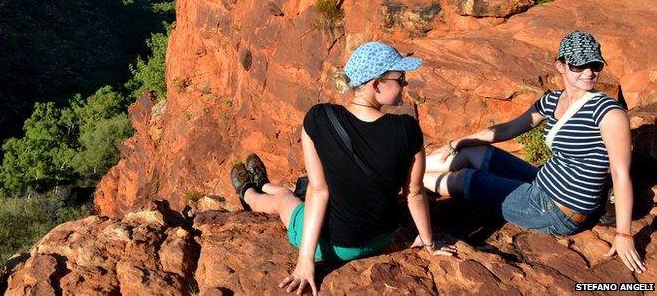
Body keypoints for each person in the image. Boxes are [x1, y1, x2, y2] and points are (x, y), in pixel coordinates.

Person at [231, 42, 456, 295]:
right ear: (376, 84)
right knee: (294, 191)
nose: (405, 84)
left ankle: (249, 192)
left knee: (285, 199)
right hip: (381, 238)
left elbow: (319, 190)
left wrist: (305, 262)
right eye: (400, 79)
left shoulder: (318, 118)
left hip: (335, 247)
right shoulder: (407, 129)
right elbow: (414, 193)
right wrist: (429, 242)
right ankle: (264, 184)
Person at [423, 31, 645, 274]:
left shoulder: (608, 112)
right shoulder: (553, 101)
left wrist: (624, 234)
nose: (588, 72)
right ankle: (407, 169)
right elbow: (509, 128)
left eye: (595, 64)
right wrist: (457, 142)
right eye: (578, 65)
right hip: (540, 182)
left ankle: (405, 181)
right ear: (560, 66)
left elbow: (620, 173)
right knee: (475, 152)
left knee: (463, 179)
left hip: (559, 210)